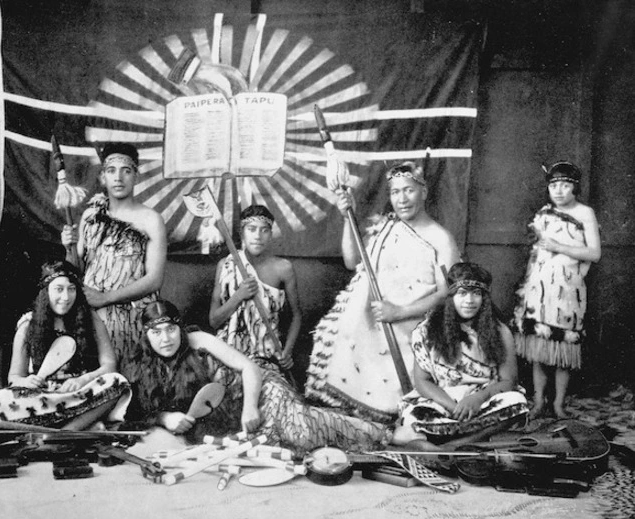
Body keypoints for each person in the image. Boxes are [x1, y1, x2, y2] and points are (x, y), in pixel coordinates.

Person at [124, 301, 393, 458]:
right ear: (146, 336)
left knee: (297, 427)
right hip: (225, 416)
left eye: (171, 329)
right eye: (156, 332)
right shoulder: (139, 365)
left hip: (258, 388)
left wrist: (250, 406)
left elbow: (249, 368)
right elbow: (139, 412)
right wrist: (164, 418)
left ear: (179, 328)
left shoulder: (198, 341)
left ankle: (384, 435)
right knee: (282, 442)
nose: (166, 338)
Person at [306, 160, 461, 422]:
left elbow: (448, 294)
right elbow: (351, 260)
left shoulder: (440, 238)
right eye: (395, 192)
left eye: (409, 190)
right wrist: (348, 219)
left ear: (423, 192)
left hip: (412, 330)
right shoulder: (386, 227)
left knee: (401, 413)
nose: (402, 199)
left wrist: (400, 311)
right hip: (372, 326)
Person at [0, 260, 129, 429]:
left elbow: (110, 365)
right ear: (45, 292)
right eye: (59, 289)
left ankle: (68, 431)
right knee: (1, 398)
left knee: (117, 382)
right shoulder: (28, 325)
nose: (66, 297)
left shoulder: (91, 319)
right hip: (42, 396)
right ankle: (79, 424)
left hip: (77, 394)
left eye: (71, 289)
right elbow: (14, 377)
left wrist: (83, 380)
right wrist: (26, 382)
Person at [61, 142, 167, 374]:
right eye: (111, 171)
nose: (118, 178)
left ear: (136, 177)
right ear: (102, 178)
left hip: (133, 318)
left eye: (126, 170)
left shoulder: (151, 220)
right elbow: (75, 269)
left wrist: (106, 298)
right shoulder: (91, 215)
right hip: (92, 317)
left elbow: (155, 279)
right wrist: (68, 245)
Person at [397, 262, 528, 442]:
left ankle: (459, 443)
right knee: (415, 416)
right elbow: (422, 381)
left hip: (483, 400)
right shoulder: (427, 331)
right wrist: (453, 406)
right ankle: (465, 437)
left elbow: (509, 381)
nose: (469, 300)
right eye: (462, 293)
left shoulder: (500, 331)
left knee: (516, 401)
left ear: (484, 298)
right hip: (443, 400)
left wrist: (477, 399)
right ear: (451, 297)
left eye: (476, 293)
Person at [512, 161, 601, 418]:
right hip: (539, 289)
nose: (559, 191)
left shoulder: (585, 213)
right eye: (554, 185)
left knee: (564, 350)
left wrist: (559, 247)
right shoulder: (543, 213)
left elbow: (593, 253)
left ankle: (559, 404)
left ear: (575, 188)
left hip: (568, 290)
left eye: (565, 185)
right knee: (539, 348)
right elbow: (535, 250)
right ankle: (539, 401)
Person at [208, 204, 302, 373]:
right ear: (242, 232)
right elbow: (214, 321)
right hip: (227, 355)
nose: (258, 236)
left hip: (266, 356)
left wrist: (287, 352)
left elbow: (296, 315)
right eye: (252, 229)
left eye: (264, 230)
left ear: (271, 235)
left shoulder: (283, 268)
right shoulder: (226, 265)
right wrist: (238, 296)